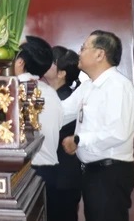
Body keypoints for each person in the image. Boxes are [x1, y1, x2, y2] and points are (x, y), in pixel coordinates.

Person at [61, 30, 134, 221]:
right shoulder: (88, 87)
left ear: (99, 54)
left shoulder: (118, 86)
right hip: (93, 172)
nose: (79, 53)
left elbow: (117, 132)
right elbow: (62, 112)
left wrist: (78, 140)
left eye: (83, 48)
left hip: (110, 173)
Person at [13, 36, 63, 186]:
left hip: (25, 172)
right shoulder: (51, 93)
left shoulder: (13, 92)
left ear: (20, 62)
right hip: (51, 172)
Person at [42, 46, 82, 221]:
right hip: (53, 175)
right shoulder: (51, 95)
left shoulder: (66, 99)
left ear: (61, 73)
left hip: (62, 177)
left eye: (51, 61)